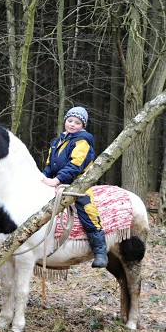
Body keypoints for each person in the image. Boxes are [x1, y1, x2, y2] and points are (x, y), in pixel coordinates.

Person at [41, 106, 108, 267]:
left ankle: (100, 251)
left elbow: (75, 165)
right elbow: (50, 164)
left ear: (82, 126)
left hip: (78, 182)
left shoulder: (82, 141)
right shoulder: (57, 142)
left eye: (77, 123)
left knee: (87, 210)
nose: (72, 124)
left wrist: (57, 180)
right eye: (70, 121)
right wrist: (44, 177)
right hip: (57, 180)